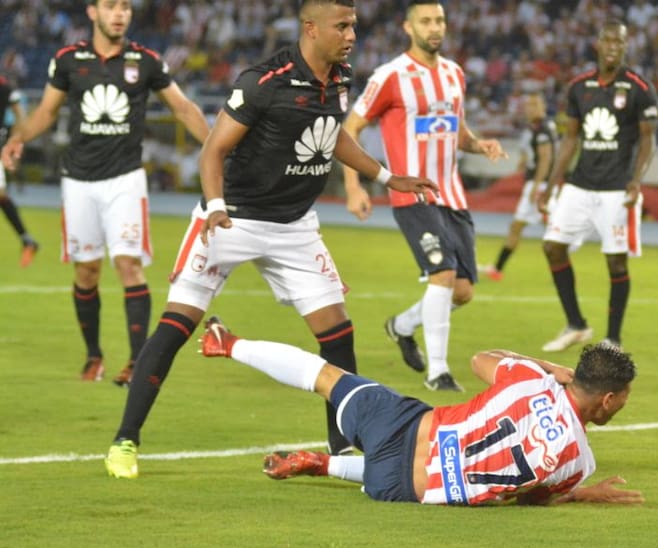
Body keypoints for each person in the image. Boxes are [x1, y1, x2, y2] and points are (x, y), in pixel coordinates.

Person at [102, 0, 438, 479]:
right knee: (175, 327)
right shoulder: (263, 81)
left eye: (354, 26)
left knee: (338, 335)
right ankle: (124, 441)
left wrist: (386, 176)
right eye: (342, 27)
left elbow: (331, 134)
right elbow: (213, 151)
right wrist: (215, 206)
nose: (351, 36)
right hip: (231, 220)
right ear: (311, 29)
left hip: (294, 226)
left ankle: (341, 448)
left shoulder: (340, 77)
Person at [198, 316, 643, 506]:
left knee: (325, 376)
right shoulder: (578, 462)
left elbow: (481, 359)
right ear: (607, 400)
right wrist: (583, 493)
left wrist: (548, 367)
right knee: (453, 469)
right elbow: (529, 498)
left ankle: (229, 345)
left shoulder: (529, 379)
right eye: (623, 397)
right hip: (398, 487)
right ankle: (324, 465)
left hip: (400, 425)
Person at [0, 0, 209, 384]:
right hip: (78, 181)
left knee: (128, 264)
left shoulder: (146, 61)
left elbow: (182, 108)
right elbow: (45, 112)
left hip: (125, 180)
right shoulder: (67, 59)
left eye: (125, 7)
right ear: (93, 12)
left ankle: (136, 362)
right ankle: (93, 356)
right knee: (86, 271)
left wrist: (215, 147)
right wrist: (17, 139)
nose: (120, 14)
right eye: (111, 6)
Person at [343, 0, 507, 393]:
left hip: (454, 196)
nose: (435, 28)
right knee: (442, 275)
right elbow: (350, 128)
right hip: (412, 195)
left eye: (440, 21)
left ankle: (401, 326)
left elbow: (457, 132)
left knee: (462, 292)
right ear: (408, 27)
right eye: (426, 21)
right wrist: (353, 185)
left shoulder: (454, 74)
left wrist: (479, 144)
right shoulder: (391, 76)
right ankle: (438, 373)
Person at [536, 19, 658, 352]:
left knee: (616, 262)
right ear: (598, 44)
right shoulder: (578, 87)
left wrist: (636, 181)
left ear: (625, 46)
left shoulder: (638, 88)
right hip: (579, 184)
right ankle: (576, 324)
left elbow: (648, 140)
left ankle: (613, 339)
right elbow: (570, 140)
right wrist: (551, 184)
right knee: (552, 247)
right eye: (608, 41)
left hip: (617, 188)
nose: (613, 47)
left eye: (619, 42)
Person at [483, 92, 557, 281]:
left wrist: (537, 185)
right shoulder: (539, 127)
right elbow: (535, 155)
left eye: (534, 105)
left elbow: (546, 158)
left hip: (540, 185)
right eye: (528, 106)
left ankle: (497, 268)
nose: (530, 109)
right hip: (541, 184)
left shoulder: (542, 129)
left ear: (542, 107)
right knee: (545, 228)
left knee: (529, 227)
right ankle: (497, 268)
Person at [0, 73, 37, 267]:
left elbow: (20, 115)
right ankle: (27, 239)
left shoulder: (4, 86)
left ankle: (27, 239)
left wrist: (15, 141)